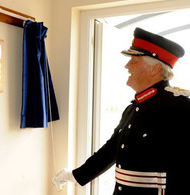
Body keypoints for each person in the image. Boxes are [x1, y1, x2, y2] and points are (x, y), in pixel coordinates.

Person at [53, 27, 190, 195]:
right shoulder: (134, 107)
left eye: (133, 61)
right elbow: (112, 149)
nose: (127, 66)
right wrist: (75, 175)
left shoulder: (180, 106)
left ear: (154, 69)